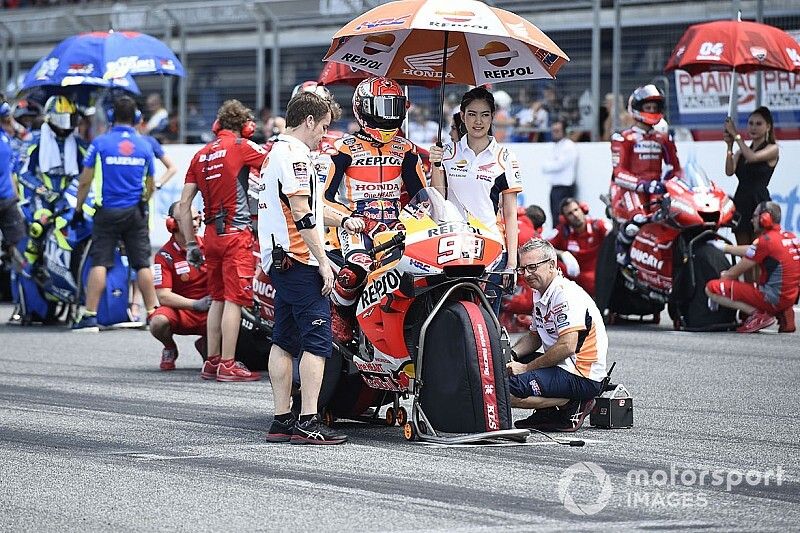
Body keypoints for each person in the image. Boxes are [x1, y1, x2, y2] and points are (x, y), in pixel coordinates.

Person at [259, 91, 351, 445]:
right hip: (299, 259)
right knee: (318, 340)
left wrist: (346, 220)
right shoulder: (295, 155)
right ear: (308, 120)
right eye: (323, 127)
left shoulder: (276, 153)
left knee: (283, 339)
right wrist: (324, 262)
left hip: (281, 259)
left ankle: (282, 420)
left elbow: (308, 206)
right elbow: (303, 213)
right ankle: (308, 421)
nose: (324, 135)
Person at [323, 76, 424, 341]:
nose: (389, 116)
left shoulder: (406, 149)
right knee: (355, 270)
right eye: (383, 107)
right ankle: (340, 315)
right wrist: (347, 218)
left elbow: (422, 197)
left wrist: (415, 218)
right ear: (364, 108)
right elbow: (325, 197)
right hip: (356, 224)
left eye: (395, 108)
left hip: (394, 224)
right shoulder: (344, 148)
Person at [176, 99, 267, 381]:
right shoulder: (240, 146)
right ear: (246, 127)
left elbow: (182, 206)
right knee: (234, 300)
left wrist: (191, 244)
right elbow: (275, 163)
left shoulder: (200, 154)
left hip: (210, 237)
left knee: (217, 298)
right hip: (236, 235)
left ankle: (212, 361)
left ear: (217, 126)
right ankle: (228, 363)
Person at [429, 86, 521, 315]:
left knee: (489, 320)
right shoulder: (447, 152)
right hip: (452, 247)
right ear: (462, 116)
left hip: (491, 249)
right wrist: (436, 165)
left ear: (492, 117)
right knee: (451, 316)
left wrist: (511, 264)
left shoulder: (504, 158)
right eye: (472, 114)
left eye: (484, 114)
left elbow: (510, 214)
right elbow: (437, 201)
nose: (478, 121)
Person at [72, 96, 159, 332]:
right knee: (142, 263)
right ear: (137, 118)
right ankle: (153, 314)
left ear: (111, 117)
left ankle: (90, 315)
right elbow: (151, 183)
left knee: (100, 261)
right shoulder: (144, 145)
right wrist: (144, 201)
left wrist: (79, 209)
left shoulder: (100, 143)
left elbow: (85, 181)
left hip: (106, 211)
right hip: (135, 211)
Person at [507, 239, 607, 432]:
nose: (526, 274)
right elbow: (534, 337)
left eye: (533, 267)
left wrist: (526, 367)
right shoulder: (541, 293)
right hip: (563, 366)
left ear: (552, 264)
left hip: (581, 375)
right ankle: (549, 411)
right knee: (501, 370)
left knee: (505, 389)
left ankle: (572, 403)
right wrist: (511, 356)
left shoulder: (565, 295)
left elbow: (567, 346)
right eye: (523, 269)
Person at [610, 84, 681, 271]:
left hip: (656, 188)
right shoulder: (623, 138)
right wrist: (643, 185)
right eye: (648, 107)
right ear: (637, 108)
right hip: (630, 189)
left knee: (663, 221)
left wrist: (668, 183)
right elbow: (618, 174)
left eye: (655, 108)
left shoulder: (663, 138)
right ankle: (622, 250)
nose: (652, 111)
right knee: (638, 220)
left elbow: (675, 168)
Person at [17, 96, 88, 283]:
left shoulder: (79, 143)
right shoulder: (35, 140)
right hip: (42, 197)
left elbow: (89, 173)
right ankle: (29, 265)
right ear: (50, 118)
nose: (66, 126)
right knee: (39, 225)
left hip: (69, 197)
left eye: (70, 119)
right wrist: (43, 190)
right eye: (62, 119)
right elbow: (22, 173)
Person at [706, 201, 800, 334]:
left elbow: (734, 273)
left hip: (772, 297)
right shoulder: (790, 237)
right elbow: (754, 250)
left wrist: (724, 276)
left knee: (712, 287)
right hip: (789, 297)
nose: (751, 220)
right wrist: (725, 248)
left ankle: (758, 314)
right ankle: (784, 311)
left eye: (755, 216)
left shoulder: (766, 241)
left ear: (765, 218)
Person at [150, 202, 212, 370]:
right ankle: (170, 348)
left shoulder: (209, 245)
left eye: (197, 218)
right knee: (158, 322)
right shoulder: (164, 255)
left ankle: (207, 345)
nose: (194, 224)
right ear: (172, 224)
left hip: (211, 310)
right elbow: (163, 296)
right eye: (188, 219)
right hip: (183, 311)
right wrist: (195, 304)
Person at [723, 107, 779, 250]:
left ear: (768, 127)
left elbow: (752, 157)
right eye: (751, 123)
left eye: (758, 124)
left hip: (758, 202)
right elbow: (729, 171)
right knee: (744, 253)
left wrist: (736, 135)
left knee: (757, 252)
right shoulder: (740, 152)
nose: (753, 127)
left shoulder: (772, 149)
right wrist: (729, 146)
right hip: (741, 201)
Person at [549, 197, 609, 297]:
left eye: (576, 210)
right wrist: (562, 254)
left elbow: (615, 239)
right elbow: (543, 248)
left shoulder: (599, 226)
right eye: (570, 214)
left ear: (583, 209)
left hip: (600, 278)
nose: (575, 215)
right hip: (575, 282)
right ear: (564, 219)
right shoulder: (562, 232)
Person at [0, 95, 26, 272]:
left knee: (20, 244)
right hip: (8, 198)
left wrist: (15, 193)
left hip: (8, 199)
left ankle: (22, 282)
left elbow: (9, 169)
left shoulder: (6, 139)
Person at [541, 120, 578, 227]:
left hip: (564, 189)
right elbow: (546, 166)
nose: (554, 133)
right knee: (555, 218)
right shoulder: (556, 146)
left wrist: (550, 165)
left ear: (564, 131)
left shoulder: (568, 146)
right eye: (553, 131)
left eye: (557, 131)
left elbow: (559, 165)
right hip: (555, 188)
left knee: (563, 219)